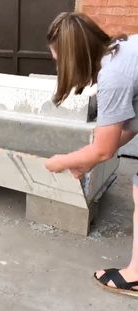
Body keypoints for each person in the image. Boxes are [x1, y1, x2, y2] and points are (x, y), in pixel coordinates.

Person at [45, 12, 138, 297]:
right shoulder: (124, 52)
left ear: (74, 56)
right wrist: (84, 160)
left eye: (59, 60)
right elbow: (132, 125)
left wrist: (63, 161)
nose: (59, 66)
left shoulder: (114, 77)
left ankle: (135, 276)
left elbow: (103, 149)